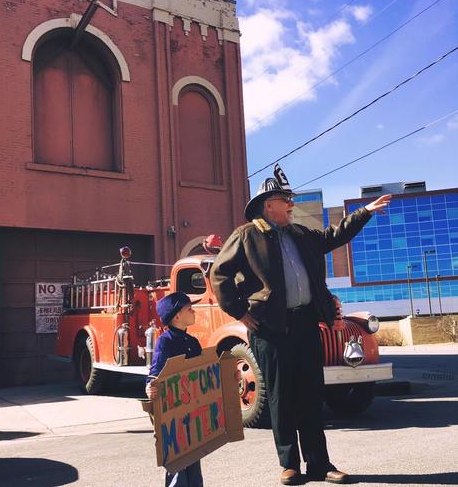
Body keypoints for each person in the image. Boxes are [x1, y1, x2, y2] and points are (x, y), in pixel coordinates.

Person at [210, 164, 391, 485]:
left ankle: (320, 464)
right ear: (269, 205)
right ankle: (289, 464)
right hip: (270, 330)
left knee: (311, 394)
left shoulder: (302, 235)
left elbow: (336, 235)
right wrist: (239, 312)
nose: (291, 204)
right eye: (285, 199)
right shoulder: (247, 235)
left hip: (306, 324)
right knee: (281, 397)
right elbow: (219, 274)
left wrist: (365, 211)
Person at [145, 292, 204, 487]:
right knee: (178, 461)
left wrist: (229, 376)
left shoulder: (193, 342)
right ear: (177, 316)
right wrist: (150, 386)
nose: (194, 311)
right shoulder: (165, 341)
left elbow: (206, 371)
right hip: (174, 415)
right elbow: (156, 369)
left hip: (192, 412)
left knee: (194, 459)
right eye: (189, 309)